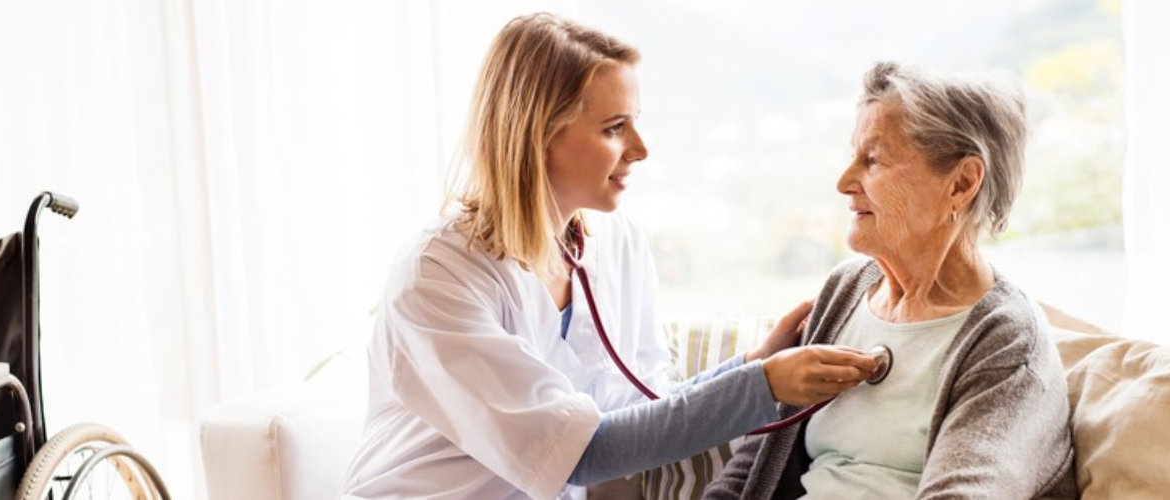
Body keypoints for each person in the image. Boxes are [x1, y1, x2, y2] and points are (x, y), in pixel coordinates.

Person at [339, 13, 880, 500]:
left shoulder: (615, 244)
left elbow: (638, 414)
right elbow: (584, 452)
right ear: (537, 135)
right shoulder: (437, 278)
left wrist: (754, 363)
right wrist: (763, 386)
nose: (641, 148)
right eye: (614, 128)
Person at [706, 62, 1078, 499]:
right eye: (853, 156)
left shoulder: (1008, 342)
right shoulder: (845, 291)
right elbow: (757, 461)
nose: (844, 182)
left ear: (961, 184)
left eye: (874, 160)